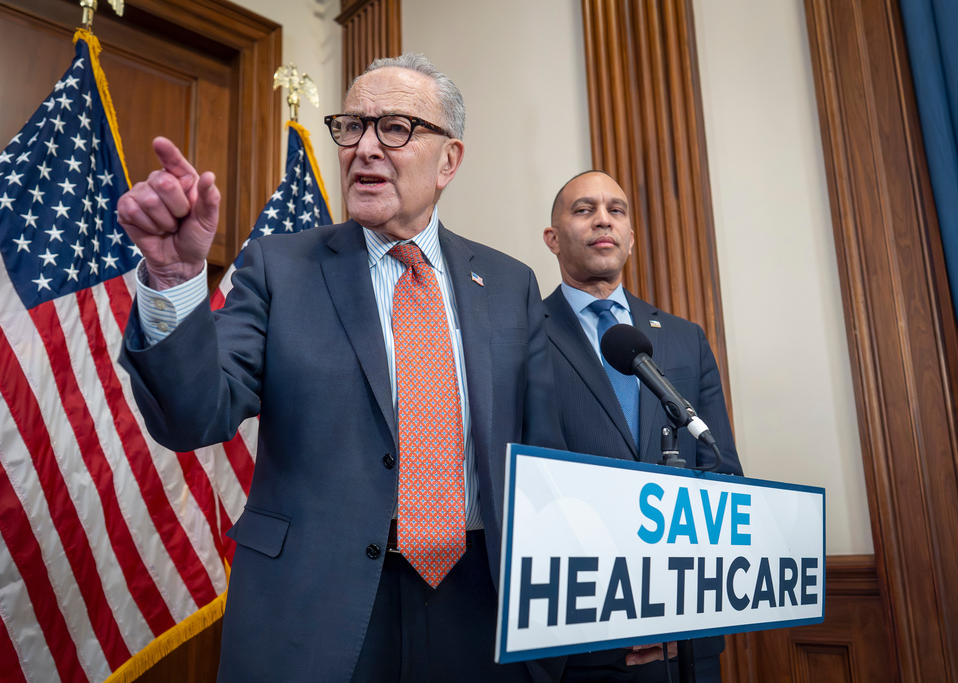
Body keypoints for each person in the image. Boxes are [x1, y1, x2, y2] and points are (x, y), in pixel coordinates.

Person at [115, 54, 566, 682]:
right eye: (352, 127)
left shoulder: (510, 283)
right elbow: (195, 415)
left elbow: (547, 457)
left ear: (449, 160)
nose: (364, 149)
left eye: (396, 129)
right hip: (317, 604)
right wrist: (172, 279)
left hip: (479, 600)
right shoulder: (279, 268)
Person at [541, 170, 744, 682]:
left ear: (631, 238)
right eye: (583, 209)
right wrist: (614, 613)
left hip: (683, 648)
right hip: (576, 647)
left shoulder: (683, 339)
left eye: (617, 210)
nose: (603, 219)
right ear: (553, 238)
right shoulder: (522, 336)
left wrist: (678, 616)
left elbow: (721, 476)